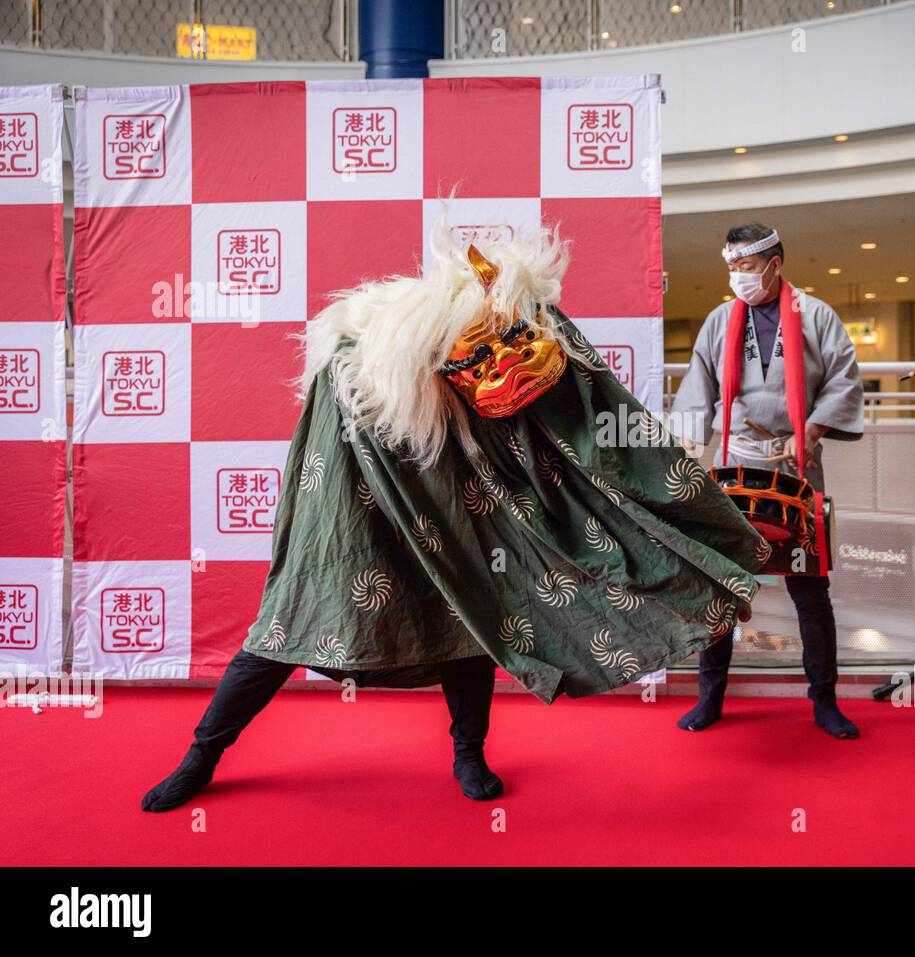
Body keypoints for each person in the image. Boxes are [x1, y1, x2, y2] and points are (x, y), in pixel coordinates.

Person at [142, 227, 767, 812]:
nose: (506, 353)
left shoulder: (505, 328)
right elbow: (334, 435)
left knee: (471, 616)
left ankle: (468, 753)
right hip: (356, 495)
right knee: (289, 620)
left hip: (452, 489)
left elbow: (563, 381)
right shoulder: (360, 357)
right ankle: (202, 754)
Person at [669, 223, 865, 738]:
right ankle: (710, 697)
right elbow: (697, 392)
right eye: (731, 267)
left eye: (747, 267)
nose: (738, 277)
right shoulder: (719, 320)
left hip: (796, 462)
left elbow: (844, 380)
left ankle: (824, 701)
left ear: (775, 265)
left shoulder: (817, 316)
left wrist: (811, 431)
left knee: (809, 587)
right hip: (736, 462)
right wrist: (689, 450)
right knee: (721, 585)